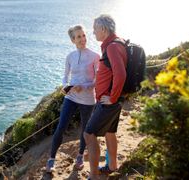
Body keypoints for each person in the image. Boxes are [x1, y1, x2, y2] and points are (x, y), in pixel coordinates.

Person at [46, 25, 100, 173]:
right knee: (60, 127)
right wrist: (65, 86)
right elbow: (65, 76)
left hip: (88, 99)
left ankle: (80, 156)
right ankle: (51, 159)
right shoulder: (70, 56)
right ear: (72, 40)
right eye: (78, 37)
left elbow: (98, 80)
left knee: (85, 130)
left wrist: (85, 86)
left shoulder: (95, 56)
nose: (83, 39)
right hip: (71, 97)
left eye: (83, 35)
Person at [84, 14, 127, 179]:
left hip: (109, 101)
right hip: (113, 99)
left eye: (95, 29)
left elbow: (120, 74)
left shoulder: (112, 47)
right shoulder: (116, 43)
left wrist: (112, 98)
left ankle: (94, 175)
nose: (93, 32)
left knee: (89, 134)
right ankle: (112, 165)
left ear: (103, 29)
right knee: (109, 132)